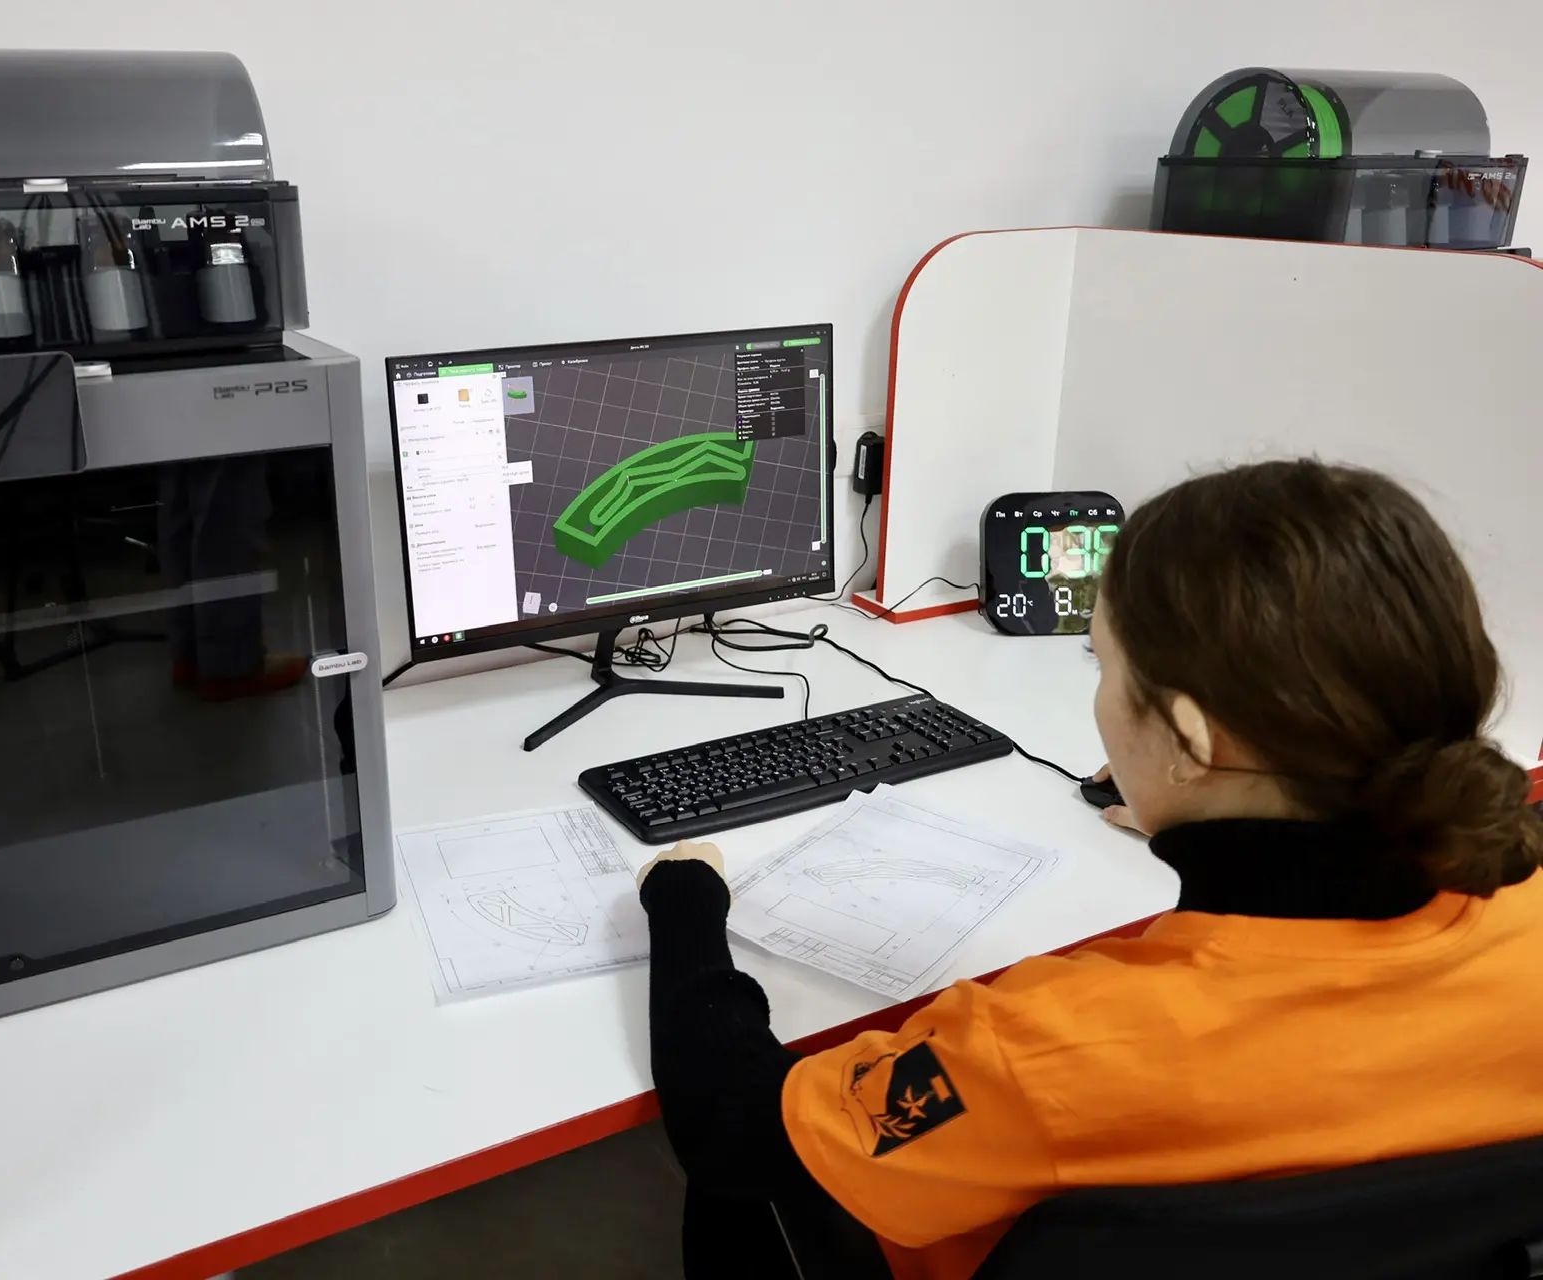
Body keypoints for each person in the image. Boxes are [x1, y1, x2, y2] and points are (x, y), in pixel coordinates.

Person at [638, 459, 1543, 1280]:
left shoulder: (1046, 1049)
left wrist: (685, 904)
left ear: (1192, 739)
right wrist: (1207, 812)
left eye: (1104, 667)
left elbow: (733, 1128)